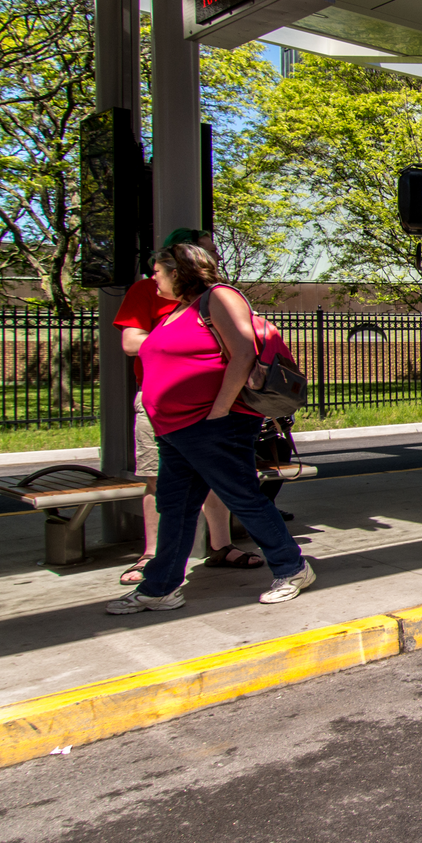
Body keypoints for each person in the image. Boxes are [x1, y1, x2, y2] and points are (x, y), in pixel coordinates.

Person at [107, 243, 315, 613]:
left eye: (158, 271)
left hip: (213, 424)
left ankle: (293, 568)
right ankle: (160, 588)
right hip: (176, 430)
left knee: (242, 498)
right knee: (175, 507)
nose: (153, 278)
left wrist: (218, 411)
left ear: (178, 271)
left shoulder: (218, 297)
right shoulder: (177, 311)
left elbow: (244, 353)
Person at [112, 229, 263, 585]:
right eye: (207, 251)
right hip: (160, 401)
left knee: (216, 477)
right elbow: (130, 342)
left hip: (208, 403)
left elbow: (241, 348)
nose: (215, 258)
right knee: (158, 478)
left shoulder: (216, 297)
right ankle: (153, 555)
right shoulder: (146, 291)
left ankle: (220, 545)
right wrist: (178, 340)